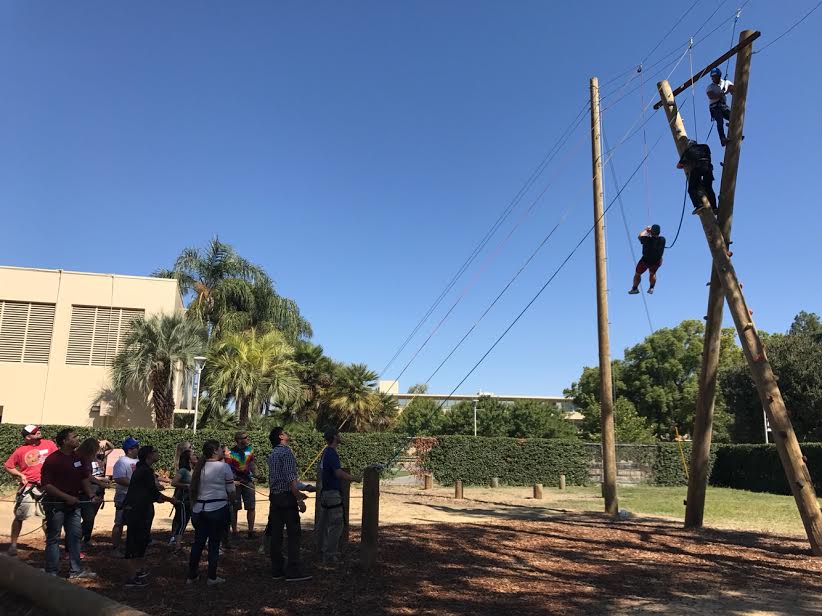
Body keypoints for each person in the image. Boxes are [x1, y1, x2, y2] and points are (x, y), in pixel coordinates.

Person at [40, 428, 99, 578]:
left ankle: (76, 570)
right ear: (65, 441)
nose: (77, 439)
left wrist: (91, 494)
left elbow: (84, 478)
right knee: (54, 538)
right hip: (56, 505)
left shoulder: (78, 458)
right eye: (73, 437)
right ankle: (51, 571)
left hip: (74, 505)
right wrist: (66, 497)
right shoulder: (53, 459)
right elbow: (47, 485)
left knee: (74, 536)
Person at [122, 445, 178, 588]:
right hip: (137, 510)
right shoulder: (145, 471)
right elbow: (153, 492)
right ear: (148, 455)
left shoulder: (143, 469)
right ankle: (131, 577)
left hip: (142, 509)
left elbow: (150, 492)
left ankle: (138, 570)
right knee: (134, 542)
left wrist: (160, 498)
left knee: (142, 540)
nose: (158, 453)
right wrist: (170, 499)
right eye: (155, 452)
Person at [3, 425, 57, 556]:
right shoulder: (20, 451)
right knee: (19, 516)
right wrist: (20, 475)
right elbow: (8, 466)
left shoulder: (49, 444)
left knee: (47, 517)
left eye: (38, 430)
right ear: (27, 437)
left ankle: (50, 545)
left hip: (47, 487)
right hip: (28, 488)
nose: (38, 432)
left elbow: (58, 460)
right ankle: (13, 545)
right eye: (34, 432)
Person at [187, 440, 235, 586]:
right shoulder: (224, 467)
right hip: (217, 509)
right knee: (214, 543)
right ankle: (212, 577)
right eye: (220, 448)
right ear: (214, 451)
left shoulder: (199, 467)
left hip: (199, 509)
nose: (222, 451)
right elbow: (231, 490)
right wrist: (232, 501)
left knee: (198, 543)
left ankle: (192, 575)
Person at [267, 427, 311, 582]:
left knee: (276, 535)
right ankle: (293, 570)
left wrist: (302, 489)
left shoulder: (272, 454)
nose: (288, 434)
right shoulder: (286, 453)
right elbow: (290, 479)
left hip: (275, 498)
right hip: (287, 498)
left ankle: (277, 569)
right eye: (285, 432)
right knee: (294, 534)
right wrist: (299, 499)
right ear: (281, 436)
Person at [317, 429, 360, 564]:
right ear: (335, 437)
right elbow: (338, 473)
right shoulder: (332, 453)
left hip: (325, 493)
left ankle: (323, 551)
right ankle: (330, 554)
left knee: (324, 524)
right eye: (339, 435)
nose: (340, 437)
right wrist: (354, 478)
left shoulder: (325, 453)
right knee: (337, 524)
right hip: (332, 494)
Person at [73, 438, 111, 550]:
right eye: (96, 448)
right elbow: (86, 476)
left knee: (90, 517)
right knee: (86, 517)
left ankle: (83, 539)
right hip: (83, 491)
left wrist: (106, 441)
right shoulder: (80, 459)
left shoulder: (93, 458)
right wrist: (101, 482)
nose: (98, 450)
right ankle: (75, 541)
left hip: (91, 490)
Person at [111, 437, 139, 556]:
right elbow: (119, 478)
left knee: (134, 522)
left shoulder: (138, 461)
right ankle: (115, 548)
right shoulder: (121, 462)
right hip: (123, 496)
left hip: (136, 496)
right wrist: (135, 484)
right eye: (136, 447)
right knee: (119, 522)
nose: (138, 449)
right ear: (130, 449)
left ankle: (131, 546)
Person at [227, 431, 257, 538]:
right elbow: (228, 468)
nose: (247, 439)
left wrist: (256, 475)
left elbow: (252, 463)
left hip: (248, 481)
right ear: (238, 440)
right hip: (236, 483)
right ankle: (234, 531)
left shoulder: (250, 450)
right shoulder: (230, 453)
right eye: (245, 437)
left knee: (251, 507)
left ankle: (251, 531)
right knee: (234, 507)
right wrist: (233, 480)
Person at [677, 140, 717, 213]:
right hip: (708, 167)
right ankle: (714, 207)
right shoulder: (705, 146)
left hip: (698, 168)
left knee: (692, 188)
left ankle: (699, 205)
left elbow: (679, 166)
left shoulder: (688, 150)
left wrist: (686, 162)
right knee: (708, 188)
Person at [169, 449, 196, 549]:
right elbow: (173, 482)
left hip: (193, 501)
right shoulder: (183, 471)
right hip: (184, 501)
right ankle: (177, 546)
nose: (195, 456)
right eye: (193, 455)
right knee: (182, 522)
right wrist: (186, 486)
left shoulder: (194, 470)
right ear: (188, 459)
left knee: (197, 521)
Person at [628, 225, 666, 296]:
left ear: (651, 232)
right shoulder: (663, 239)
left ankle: (635, 288)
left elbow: (639, 236)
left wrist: (646, 230)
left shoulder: (646, 239)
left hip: (645, 261)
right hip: (657, 261)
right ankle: (651, 288)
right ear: (659, 232)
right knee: (652, 273)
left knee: (637, 274)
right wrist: (650, 232)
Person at [706, 67, 733, 147]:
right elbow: (711, 96)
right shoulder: (710, 87)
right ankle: (723, 139)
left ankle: (735, 134)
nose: (713, 79)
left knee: (734, 117)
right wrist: (724, 93)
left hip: (723, 105)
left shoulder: (725, 82)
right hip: (715, 107)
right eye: (712, 77)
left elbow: (732, 89)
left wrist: (731, 89)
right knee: (720, 122)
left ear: (719, 76)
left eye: (715, 76)